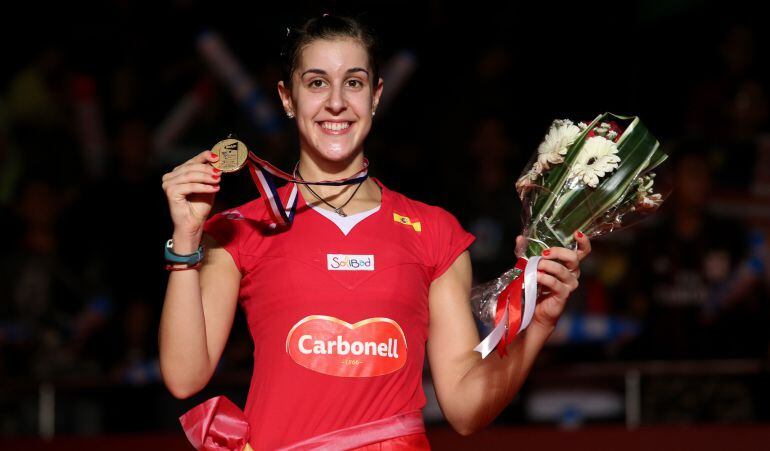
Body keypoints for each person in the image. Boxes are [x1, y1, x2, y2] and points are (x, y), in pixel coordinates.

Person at [159, 14, 590, 450]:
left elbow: (464, 410)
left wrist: (537, 325)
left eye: (354, 82)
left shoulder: (434, 231)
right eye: (315, 83)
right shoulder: (241, 228)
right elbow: (183, 376)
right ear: (287, 99)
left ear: (376, 95)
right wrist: (186, 239)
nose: (335, 103)